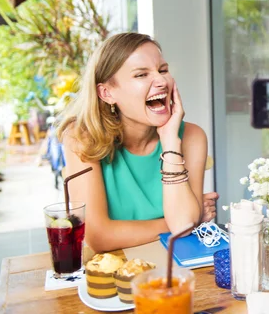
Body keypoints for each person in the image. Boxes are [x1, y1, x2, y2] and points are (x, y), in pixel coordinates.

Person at [58, 33, 218, 252]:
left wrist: (170, 140)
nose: (162, 81)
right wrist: (191, 220)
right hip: (114, 271)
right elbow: (97, 236)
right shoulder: (83, 138)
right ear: (106, 93)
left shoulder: (191, 136)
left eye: (163, 70)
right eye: (141, 74)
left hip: (175, 266)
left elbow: (183, 224)